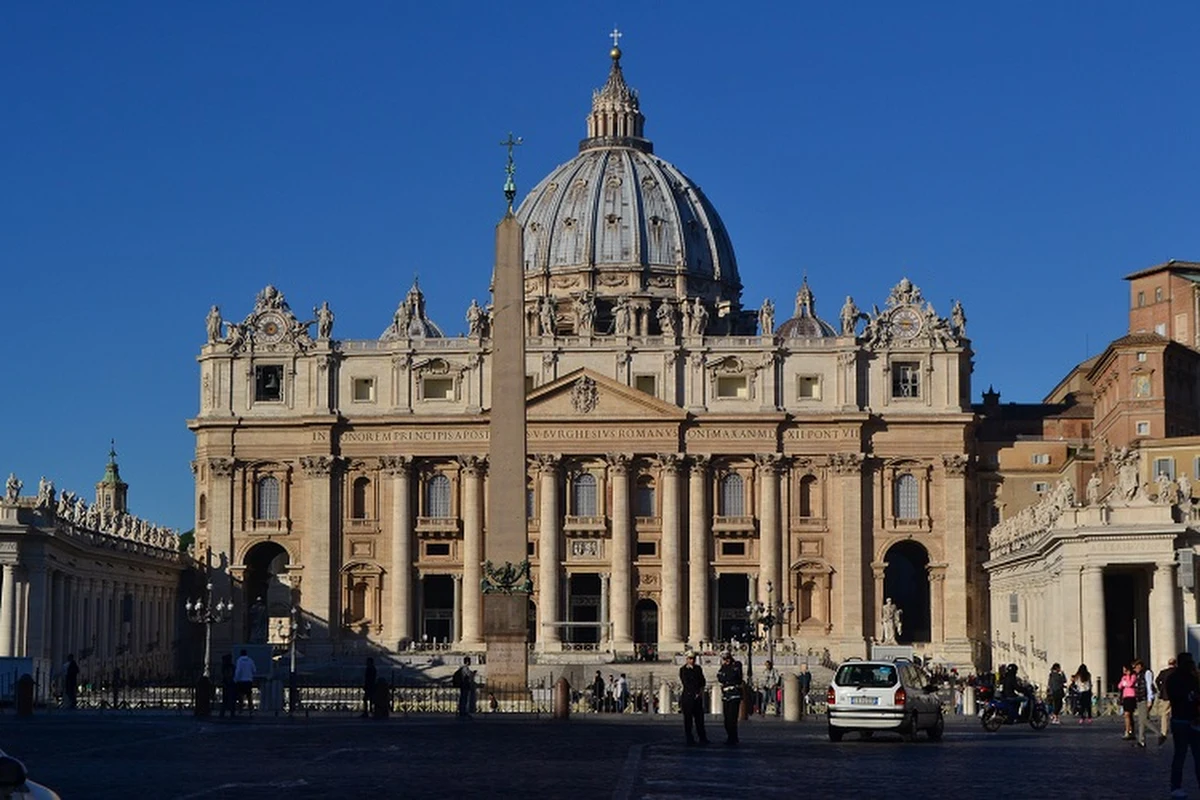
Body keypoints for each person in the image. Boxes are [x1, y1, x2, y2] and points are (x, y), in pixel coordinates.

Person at [1166, 651, 1200, 799]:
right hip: (1183, 719)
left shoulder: (1190, 678)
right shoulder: (1178, 679)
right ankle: (1176, 786)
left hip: (1189, 720)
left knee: (1189, 756)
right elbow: (1176, 697)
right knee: (1182, 755)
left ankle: (1176, 786)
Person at [679, 651, 709, 745]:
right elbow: (686, 682)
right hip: (688, 697)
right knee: (688, 719)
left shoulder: (698, 668)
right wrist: (694, 692)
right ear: (687, 659)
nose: (692, 661)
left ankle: (702, 737)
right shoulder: (683, 670)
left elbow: (702, 681)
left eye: (693, 659)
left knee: (699, 719)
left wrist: (699, 691)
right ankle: (689, 738)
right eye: (690, 659)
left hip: (697, 697)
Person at [717, 651, 744, 745]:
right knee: (726, 719)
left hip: (734, 694)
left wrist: (726, 677)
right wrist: (727, 677)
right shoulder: (723, 667)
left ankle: (733, 737)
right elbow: (719, 677)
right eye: (724, 659)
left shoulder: (737, 664)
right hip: (726, 695)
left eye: (727, 658)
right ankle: (730, 736)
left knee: (732, 718)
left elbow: (735, 676)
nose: (726, 660)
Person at [1134, 658, 1156, 748]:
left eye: (1135, 667)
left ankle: (1159, 734)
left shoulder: (1147, 673)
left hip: (1145, 698)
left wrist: (1150, 699)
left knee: (1144, 720)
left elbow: (1149, 686)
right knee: (1141, 721)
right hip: (1140, 698)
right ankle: (1141, 740)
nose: (1134, 669)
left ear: (1139, 666)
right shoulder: (1138, 675)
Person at [1158, 657, 1178, 746]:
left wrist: (1161, 689)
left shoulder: (1164, 672)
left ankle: (1164, 731)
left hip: (1166, 696)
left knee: (1164, 714)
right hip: (1177, 696)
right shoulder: (1178, 672)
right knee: (1176, 713)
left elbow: (1157, 680)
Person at [233, 649, 256, 716]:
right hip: (249, 680)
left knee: (240, 696)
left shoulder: (239, 660)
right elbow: (254, 670)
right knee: (249, 696)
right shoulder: (250, 660)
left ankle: (240, 710)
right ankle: (251, 710)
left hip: (241, 681)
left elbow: (238, 671)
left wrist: (235, 679)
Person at [1118, 664, 1137, 739]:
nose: (1124, 671)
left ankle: (1128, 731)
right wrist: (1124, 682)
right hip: (1125, 697)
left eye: (1125, 670)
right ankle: (1129, 730)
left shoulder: (1133, 676)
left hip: (1131, 697)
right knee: (1127, 715)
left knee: (1128, 714)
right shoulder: (1123, 677)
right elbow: (1119, 686)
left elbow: (1130, 684)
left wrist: (1126, 680)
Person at [219, 654, 235, 718]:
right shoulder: (231, 667)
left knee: (225, 699)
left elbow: (225, 675)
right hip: (231, 684)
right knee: (231, 699)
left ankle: (222, 713)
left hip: (226, 684)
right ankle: (231, 713)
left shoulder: (224, 667)